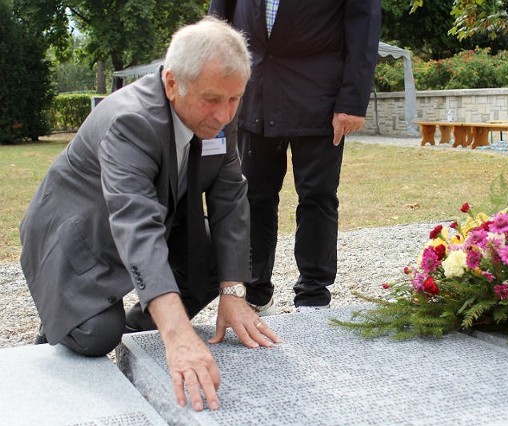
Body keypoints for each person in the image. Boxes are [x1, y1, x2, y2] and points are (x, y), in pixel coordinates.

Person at [19, 17, 280, 412]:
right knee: (96, 335)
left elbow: (229, 200)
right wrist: (177, 335)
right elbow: (135, 223)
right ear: (173, 83)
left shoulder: (217, 117)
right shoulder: (130, 120)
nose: (224, 115)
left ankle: (140, 327)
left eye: (234, 99)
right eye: (212, 99)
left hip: (160, 216)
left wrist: (233, 292)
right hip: (81, 231)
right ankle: (67, 318)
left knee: (216, 264)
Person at [208, 0, 381, 312]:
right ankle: (255, 292)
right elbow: (219, 17)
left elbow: (364, 27)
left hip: (320, 96)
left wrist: (353, 101)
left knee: (317, 197)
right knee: (254, 198)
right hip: (255, 89)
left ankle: (313, 296)